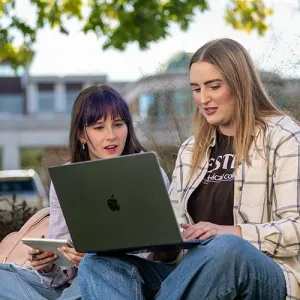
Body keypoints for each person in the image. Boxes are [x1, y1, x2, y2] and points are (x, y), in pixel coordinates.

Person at [78, 38, 300, 300]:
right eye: (196, 89)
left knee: (226, 247)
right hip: (194, 277)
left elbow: (296, 228)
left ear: (241, 84)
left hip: (267, 274)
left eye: (214, 86)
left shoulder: (283, 137)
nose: (203, 99)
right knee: (98, 265)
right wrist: (162, 243)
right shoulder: (190, 150)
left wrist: (232, 232)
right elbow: (176, 235)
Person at [0, 84, 169, 300]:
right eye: (99, 128)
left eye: (118, 124)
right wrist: (48, 265)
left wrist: (96, 258)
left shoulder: (148, 172)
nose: (111, 136)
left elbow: (160, 255)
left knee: (94, 266)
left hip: (125, 280)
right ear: (81, 134)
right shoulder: (66, 179)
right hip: (72, 285)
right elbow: (61, 276)